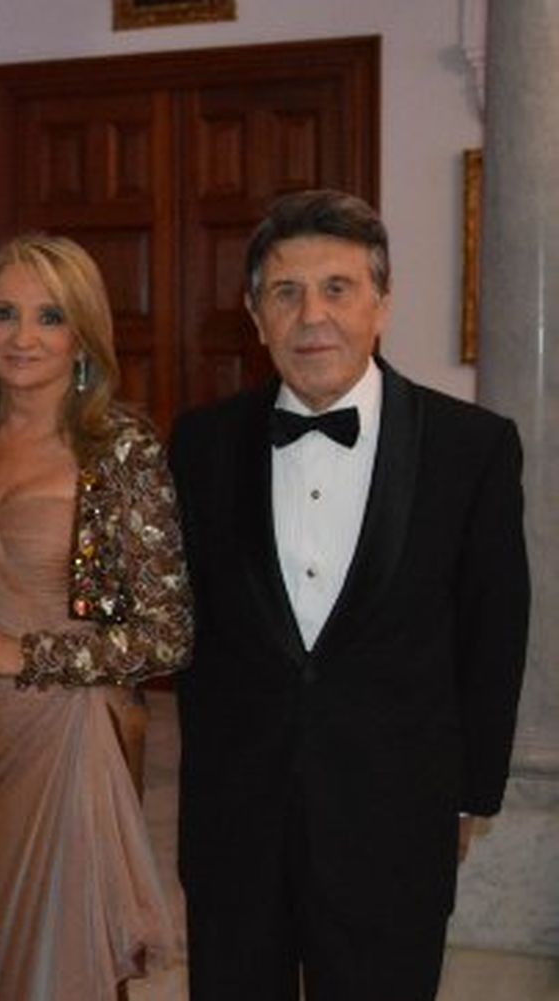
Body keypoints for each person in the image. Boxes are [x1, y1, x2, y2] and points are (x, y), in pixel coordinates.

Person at [168, 189, 531, 1000]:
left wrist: (471, 792)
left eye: (338, 288)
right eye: (286, 292)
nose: (313, 316)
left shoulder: (472, 446)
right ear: (256, 315)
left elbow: (494, 630)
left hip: (395, 813)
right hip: (236, 818)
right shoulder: (200, 443)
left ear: (382, 303)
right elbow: (184, 624)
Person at [0, 234, 190, 999]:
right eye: (4, 313)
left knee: (65, 965)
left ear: (82, 334)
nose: (23, 336)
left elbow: (166, 632)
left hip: (72, 735)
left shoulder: (118, 450)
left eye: (49, 316)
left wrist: (20, 653)